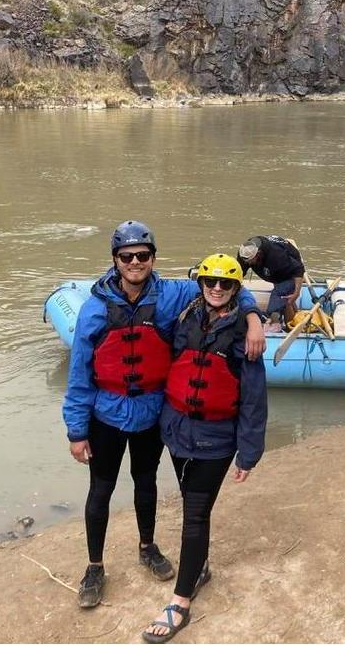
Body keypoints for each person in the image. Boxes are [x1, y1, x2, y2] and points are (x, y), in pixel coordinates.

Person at [63, 221, 266, 609]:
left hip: (152, 413)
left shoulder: (174, 293)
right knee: (100, 490)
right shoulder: (94, 308)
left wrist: (253, 316)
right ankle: (94, 566)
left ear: (153, 258)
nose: (135, 262)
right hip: (105, 413)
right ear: (115, 261)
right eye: (127, 256)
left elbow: (221, 285)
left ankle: (147, 546)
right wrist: (76, 430)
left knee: (146, 481)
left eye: (143, 255)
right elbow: (79, 375)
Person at [142, 253, 268, 644]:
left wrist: (249, 453)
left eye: (225, 283)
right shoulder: (186, 314)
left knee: (195, 514)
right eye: (210, 281)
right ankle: (200, 568)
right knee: (192, 504)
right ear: (200, 284)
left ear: (236, 289)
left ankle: (180, 601)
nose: (216, 288)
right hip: (178, 432)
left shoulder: (244, 334)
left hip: (215, 440)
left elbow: (253, 398)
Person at [237, 234, 305, 325]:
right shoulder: (245, 252)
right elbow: (239, 274)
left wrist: (296, 293)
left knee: (277, 299)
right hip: (273, 268)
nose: (247, 263)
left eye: (250, 260)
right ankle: (290, 312)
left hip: (289, 272)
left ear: (258, 254)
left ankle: (276, 323)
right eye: (245, 260)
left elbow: (298, 269)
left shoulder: (277, 255)